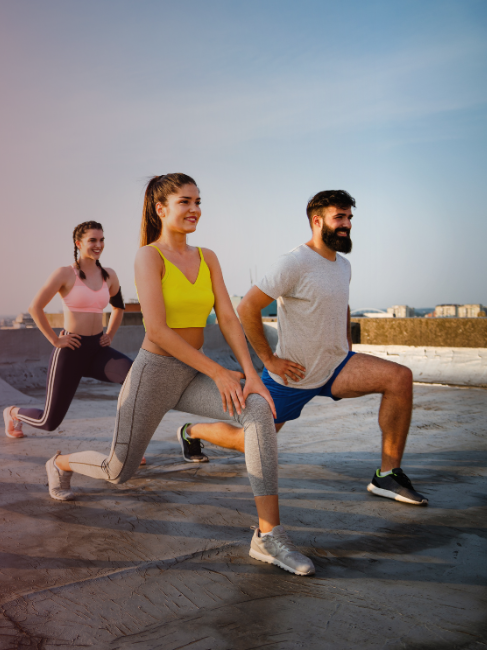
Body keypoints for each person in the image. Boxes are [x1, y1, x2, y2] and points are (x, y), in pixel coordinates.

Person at [45, 174, 316, 577]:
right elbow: (156, 330)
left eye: (198, 201)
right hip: (153, 375)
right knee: (118, 471)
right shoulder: (148, 257)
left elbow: (228, 317)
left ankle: (268, 535)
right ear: (161, 209)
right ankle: (60, 462)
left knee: (258, 410)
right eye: (185, 201)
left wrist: (251, 375)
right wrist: (219, 373)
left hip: (193, 371)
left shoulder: (208, 257)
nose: (194, 209)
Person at [176, 190, 427, 506]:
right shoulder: (294, 262)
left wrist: (346, 344)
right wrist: (269, 359)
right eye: (339, 217)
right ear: (317, 220)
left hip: (336, 367)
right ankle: (191, 431)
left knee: (399, 378)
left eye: (349, 218)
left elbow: (342, 304)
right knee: (244, 441)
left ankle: (387, 475)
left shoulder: (343, 265)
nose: (347, 224)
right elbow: (248, 307)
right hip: (292, 376)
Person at [2, 221, 131, 438]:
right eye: (92, 240)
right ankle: (13, 413)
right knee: (48, 422)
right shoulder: (65, 273)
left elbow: (118, 307)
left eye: (101, 240)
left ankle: (128, 443)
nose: (98, 245)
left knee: (135, 379)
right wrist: (55, 340)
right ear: (78, 243)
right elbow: (35, 307)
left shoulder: (109, 275)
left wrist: (109, 334)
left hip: (98, 350)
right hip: (71, 350)